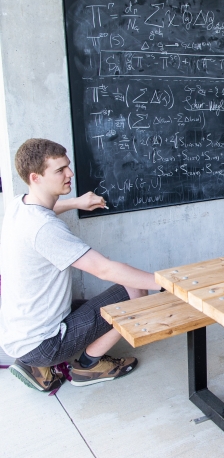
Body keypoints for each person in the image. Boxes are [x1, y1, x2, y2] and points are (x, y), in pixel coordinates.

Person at [0, 139, 161, 392]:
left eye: (68, 166)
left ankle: (37, 367)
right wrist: (168, 282)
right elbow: (103, 269)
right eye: (60, 170)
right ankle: (87, 366)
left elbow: (47, 210)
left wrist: (76, 202)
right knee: (134, 290)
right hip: (45, 342)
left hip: (19, 335)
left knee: (112, 296)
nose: (70, 174)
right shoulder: (45, 229)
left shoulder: (17, 206)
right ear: (36, 177)